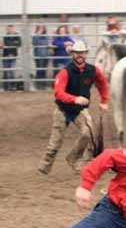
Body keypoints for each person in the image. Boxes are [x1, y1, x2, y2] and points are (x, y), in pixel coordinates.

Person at [37, 40, 109, 175]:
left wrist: (104, 101)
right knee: (55, 141)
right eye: (77, 53)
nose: (79, 55)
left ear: (86, 53)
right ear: (73, 54)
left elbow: (103, 84)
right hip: (63, 110)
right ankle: (46, 164)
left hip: (80, 111)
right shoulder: (65, 72)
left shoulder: (92, 71)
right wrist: (75, 99)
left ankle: (74, 158)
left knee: (88, 133)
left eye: (82, 52)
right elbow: (58, 93)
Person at [2, 24, 21, 91]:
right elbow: (7, 44)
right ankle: (7, 87)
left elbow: (19, 44)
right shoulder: (5, 36)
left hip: (13, 56)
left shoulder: (17, 36)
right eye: (8, 29)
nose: (10, 30)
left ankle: (13, 86)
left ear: (13, 29)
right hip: (6, 55)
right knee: (6, 72)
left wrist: (11, 44)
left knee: (12, 71)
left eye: (11, 29)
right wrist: (13, 43)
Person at [32, 25, 50, 90]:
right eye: (39, 28)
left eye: (42, 28)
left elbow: (47, 44)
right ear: (37, 29)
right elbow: (35, 43)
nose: (41, 29)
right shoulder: (35, 36)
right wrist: (38, 35)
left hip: (46, 56)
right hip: (38, 56)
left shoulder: (46, 36)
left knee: (44, 71)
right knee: (39, 70)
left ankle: (43, 85)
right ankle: (38, 85)